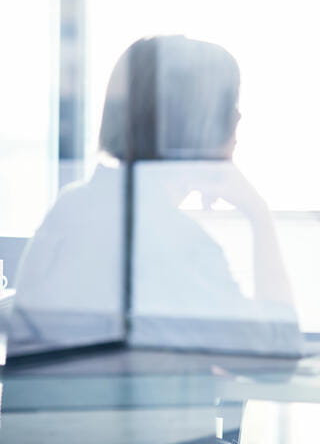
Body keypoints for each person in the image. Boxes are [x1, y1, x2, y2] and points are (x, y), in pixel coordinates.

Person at [11, 35, 299, 356]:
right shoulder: (174, 242)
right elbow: (280, 350)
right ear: (199, 126)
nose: (237, 122)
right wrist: (258, 214)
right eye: (230, 110)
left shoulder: (69, 208)